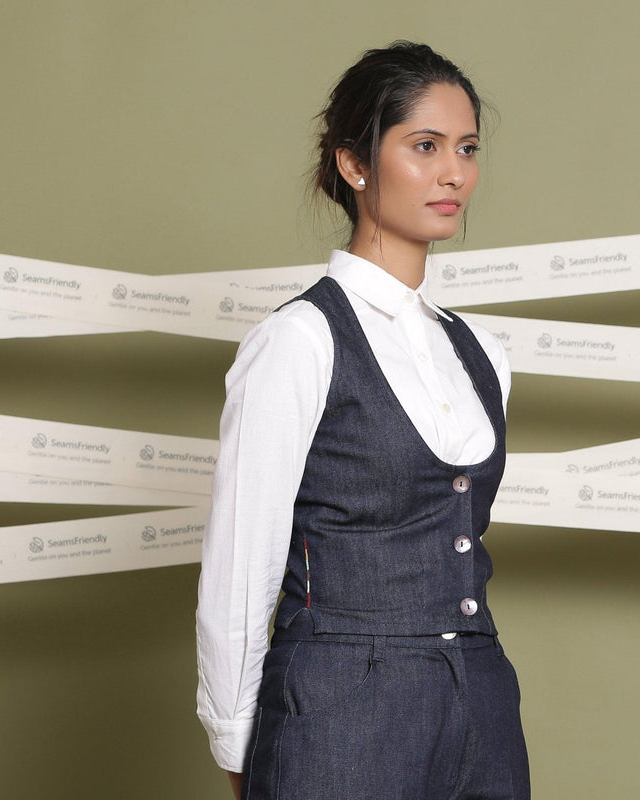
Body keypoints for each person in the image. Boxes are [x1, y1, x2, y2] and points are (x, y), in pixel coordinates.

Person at [196, 41, 530, 800]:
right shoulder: (301, 339)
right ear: (354, 164)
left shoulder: (482, 352)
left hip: (481, 697)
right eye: (425, 146)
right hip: (341, 704)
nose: (454, 173)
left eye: (468, 149)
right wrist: (235, 735)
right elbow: (241, 562)